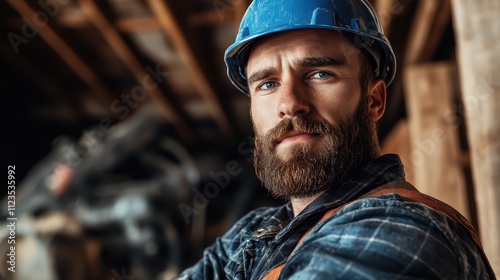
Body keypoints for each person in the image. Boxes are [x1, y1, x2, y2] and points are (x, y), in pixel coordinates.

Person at [177, 0, 495, 279]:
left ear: (374, 101)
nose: (289, 104)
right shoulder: (254, 234)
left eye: (320, 74)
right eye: (267, 84)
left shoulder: (400, 229)